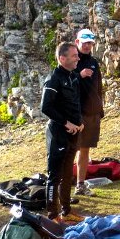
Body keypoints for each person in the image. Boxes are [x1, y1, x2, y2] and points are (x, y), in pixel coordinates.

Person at [40, 41, 82, 219]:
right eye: (74, 56)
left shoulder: (72, 76)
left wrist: (80, 122)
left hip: (73, 134)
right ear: (62, 58)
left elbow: (74, 102)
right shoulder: (54, 79)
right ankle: (53, 215)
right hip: (58, 133)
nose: (78, 58)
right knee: (54, 175)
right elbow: (45, 107)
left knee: (67, 174)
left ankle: (67, 210)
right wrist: (66, 123)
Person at [73, 28, 105, 194]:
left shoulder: (93, 62)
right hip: (75, 114)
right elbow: (63, 82)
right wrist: (80, 74)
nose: (87, 46)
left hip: (92, 113)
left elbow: (98, 86)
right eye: (84, 43)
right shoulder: (71, 60)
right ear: (77, 42)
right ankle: (63, 184)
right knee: (71, 149)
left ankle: (80, 184)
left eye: (90, 43)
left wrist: (100, 108)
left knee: (85, 149)